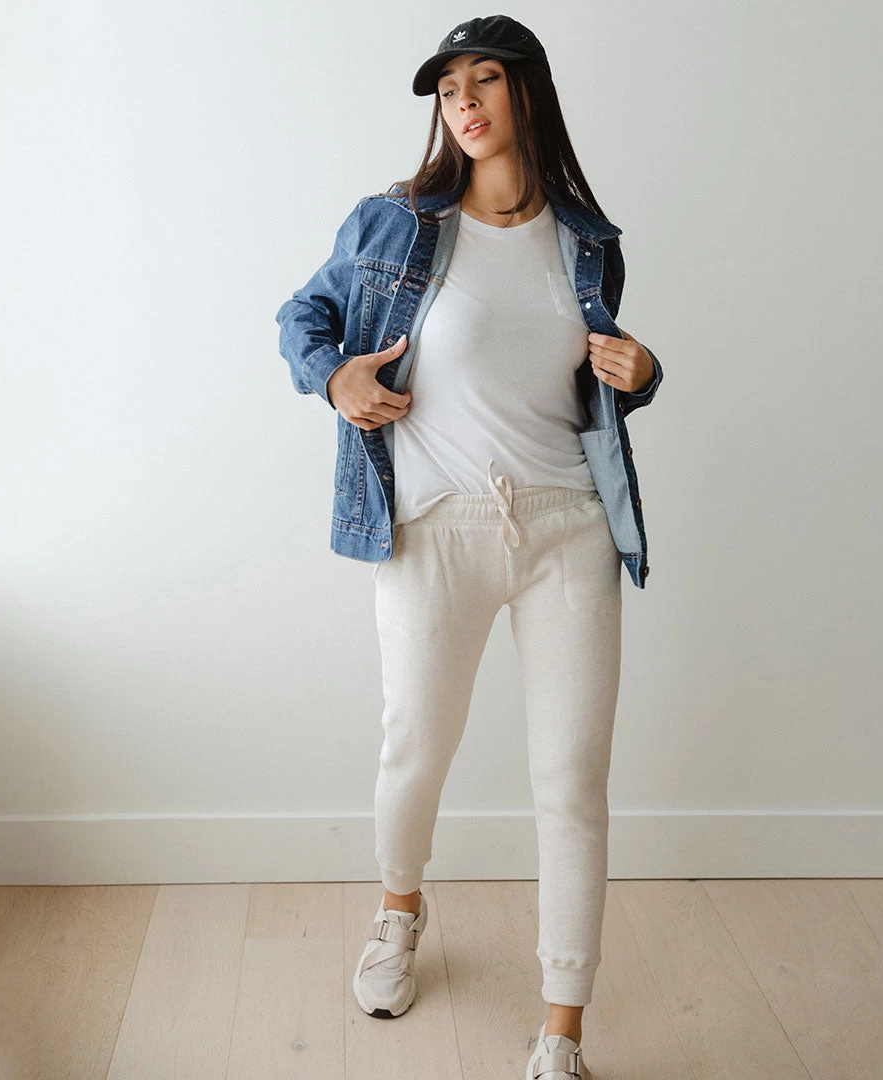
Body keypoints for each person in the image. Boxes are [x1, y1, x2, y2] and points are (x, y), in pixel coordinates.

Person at [276, 15, 663, 1080]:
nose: (465, 102)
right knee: (415, 746)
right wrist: (337, 378)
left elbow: (595, 381)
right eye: (449, 88)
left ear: (528, 92)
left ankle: (561, 1033)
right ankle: (399, 911)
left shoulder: (589, 241)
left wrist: (644, 373)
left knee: (571, 781)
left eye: (485, 79)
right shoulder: (396, 223)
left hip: (567, 526)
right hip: (435, 526)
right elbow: (302, 316)